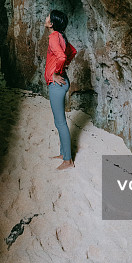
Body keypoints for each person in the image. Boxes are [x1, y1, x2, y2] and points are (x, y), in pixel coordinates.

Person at [44, 9, 76, 170]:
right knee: (59, 122)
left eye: (48, 16)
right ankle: (64, 154)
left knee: (61, 123)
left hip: (57, 85)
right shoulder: (61, 36)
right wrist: (63, 68)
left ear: (51, 23)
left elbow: (63, 57)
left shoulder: (53, 37)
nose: (46, 17)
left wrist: (57, 72)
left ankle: (68, 160)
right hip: (62, 83)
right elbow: (72, 52)